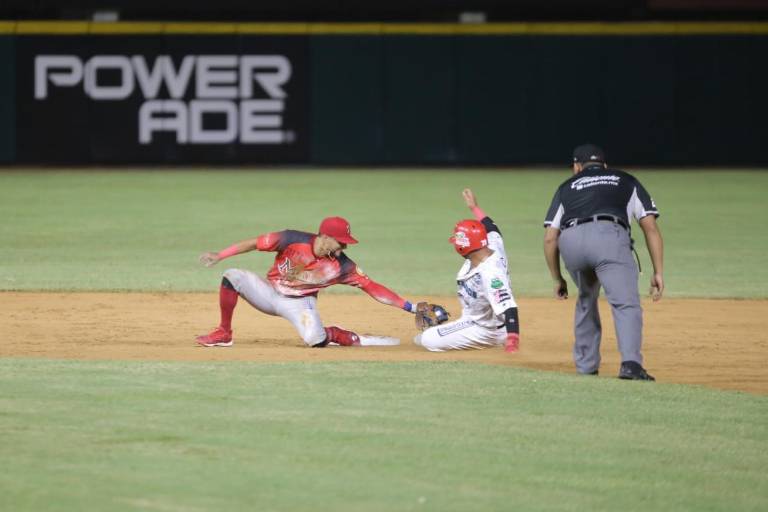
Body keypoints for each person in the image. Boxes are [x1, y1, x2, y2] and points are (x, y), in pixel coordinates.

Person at [196, 216, 422, 347]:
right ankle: (224, 332)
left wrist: (410, 307)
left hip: (300, 304)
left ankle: (335, 334)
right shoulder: (291, 239)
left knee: (315, 340)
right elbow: (254, 243)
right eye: (340, 241)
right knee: (232, 275)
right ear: (325, 237)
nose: (344, 246)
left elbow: (372, 287)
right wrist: (220, 255)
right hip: (269, 292)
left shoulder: (342, 266)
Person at [543, 144, 664, 380]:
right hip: (609, 237)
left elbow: (550, 238)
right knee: (625, 304)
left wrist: (557, 278)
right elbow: (650, 227)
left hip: (571, 241)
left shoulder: (566, 187)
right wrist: (658, 271)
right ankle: (631, 365)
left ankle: (586, 367)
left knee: (586, 298)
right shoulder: (626, 180)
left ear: (577, 167)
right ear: (605, 165)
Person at [414, 189, 520, 352]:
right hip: (483, 321)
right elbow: (492, 228)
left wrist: (512, 339)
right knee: (426, 337)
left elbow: (508, 306)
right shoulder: (491, 245)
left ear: (463, 246)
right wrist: (474, 207)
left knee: (426, 338)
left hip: (485, 329)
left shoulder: (490, 274)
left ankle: (497, 338)